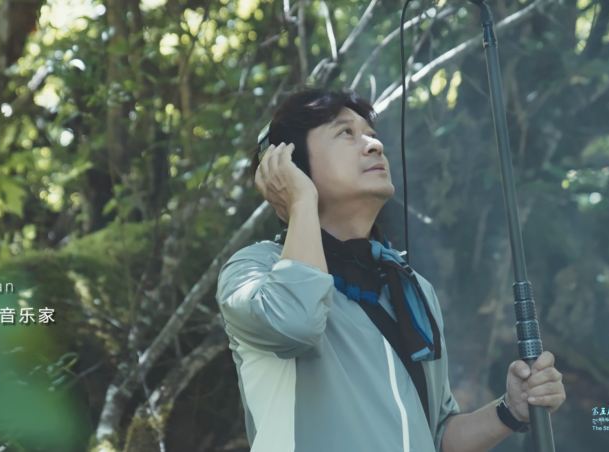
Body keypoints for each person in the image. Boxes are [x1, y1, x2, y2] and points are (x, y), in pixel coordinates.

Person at [214, 89, 566, 452]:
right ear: (290, 166)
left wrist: (510, 411)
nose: (374, 145)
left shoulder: (409, 287)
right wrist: (301, 201)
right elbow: (296, 322)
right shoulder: (255, 270)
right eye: (346, 133)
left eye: (372, 134)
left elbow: (437, 436)